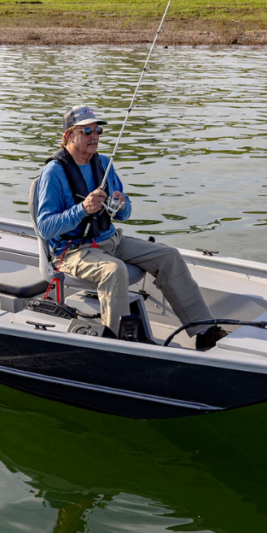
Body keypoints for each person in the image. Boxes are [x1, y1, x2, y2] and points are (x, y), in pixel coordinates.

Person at [34, 104, 227, 350]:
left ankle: (204, 331)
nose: (94, 136)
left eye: (98, 131)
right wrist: (83, 208)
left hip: (111, 240)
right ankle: (118, 345)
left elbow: (125, 214)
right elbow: (45, 227)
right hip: (72, 251)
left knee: (169, 256)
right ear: (68, 136)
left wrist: (121, 205)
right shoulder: (54, 172)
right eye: (87, 131)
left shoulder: (104, 163)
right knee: (114, 270)